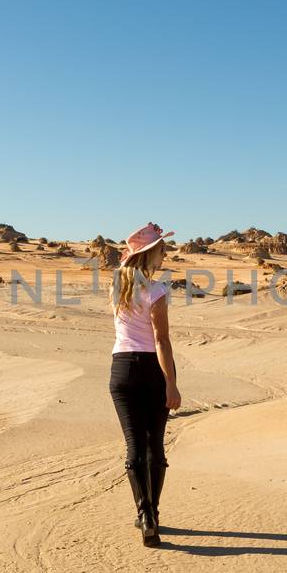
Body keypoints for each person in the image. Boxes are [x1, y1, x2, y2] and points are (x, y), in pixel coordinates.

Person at [108, 222, 181, 547]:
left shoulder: (116, 286)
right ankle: (152, 514)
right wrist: (172, 384)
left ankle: (144, 514)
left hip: (121, 370)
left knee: (134, 447)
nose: (165, 255)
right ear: (151, 254)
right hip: (150, 369)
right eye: (162, 250)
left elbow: (125, 269)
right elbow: (162, 341)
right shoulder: (156, 290)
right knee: (155, 446)